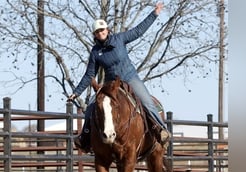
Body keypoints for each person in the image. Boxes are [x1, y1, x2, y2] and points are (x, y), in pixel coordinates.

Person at [68, 2, 170, 153]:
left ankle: (161, 130)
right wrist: (76, 92)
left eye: (102, 30)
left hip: (130, 78)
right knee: (91, 106)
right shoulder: (95, 52)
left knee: (147, 101)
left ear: (107, 30)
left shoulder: (120, 39)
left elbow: (138, 31)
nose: (100, 33)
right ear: (94, 34)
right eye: (97, 31)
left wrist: (154, 14)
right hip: (111, 84)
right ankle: (85, 138)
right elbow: (90, 74)